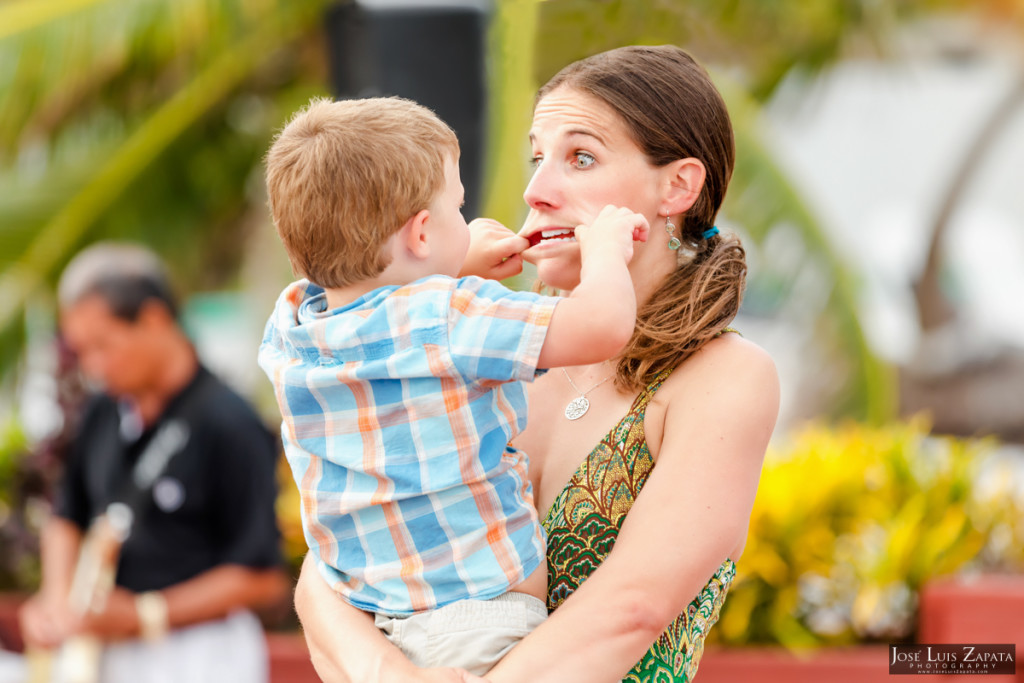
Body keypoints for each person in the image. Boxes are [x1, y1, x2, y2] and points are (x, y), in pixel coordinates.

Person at [292, 44, 781, 683]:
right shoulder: (475, 339)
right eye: (536, 157)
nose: (537, 190)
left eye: (580, 158)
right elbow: (331, 557)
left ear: (678, 186)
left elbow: (632, 609)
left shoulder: (724, 377)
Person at [257, 95, 649, 675]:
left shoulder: (293, 325)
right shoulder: (451, 316)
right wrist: (607, 251)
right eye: (457, 210)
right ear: (420, 233)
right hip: (476, 627)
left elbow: (381, 314)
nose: (464, 223)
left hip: (374, 618)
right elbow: (601, 326)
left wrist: (455, 260)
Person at [18, 242, 290, 683]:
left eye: (102, 346)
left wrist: (147, 614)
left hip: (202, 658)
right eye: (81, 351)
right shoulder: (103, 410)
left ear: (153, 319)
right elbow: (67, 514)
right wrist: (54, 599)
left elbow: (263, 577)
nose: (93, 367)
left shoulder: (231, 424)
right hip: (109, 656)